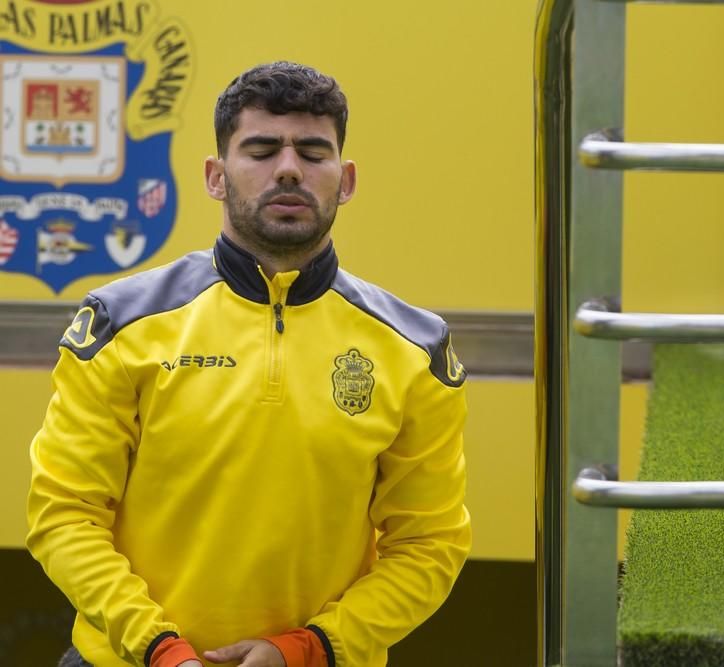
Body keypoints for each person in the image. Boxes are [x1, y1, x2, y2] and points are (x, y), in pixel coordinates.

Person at [26, 61, 471, 667]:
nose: (288, 168)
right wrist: (160, 649)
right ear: (215, 176)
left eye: (314, 153)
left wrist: (308, 649)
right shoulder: (120, 324)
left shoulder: (414, 348)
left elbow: (430, 544)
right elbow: (64, 516)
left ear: (346, 180)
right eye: (261, 149)